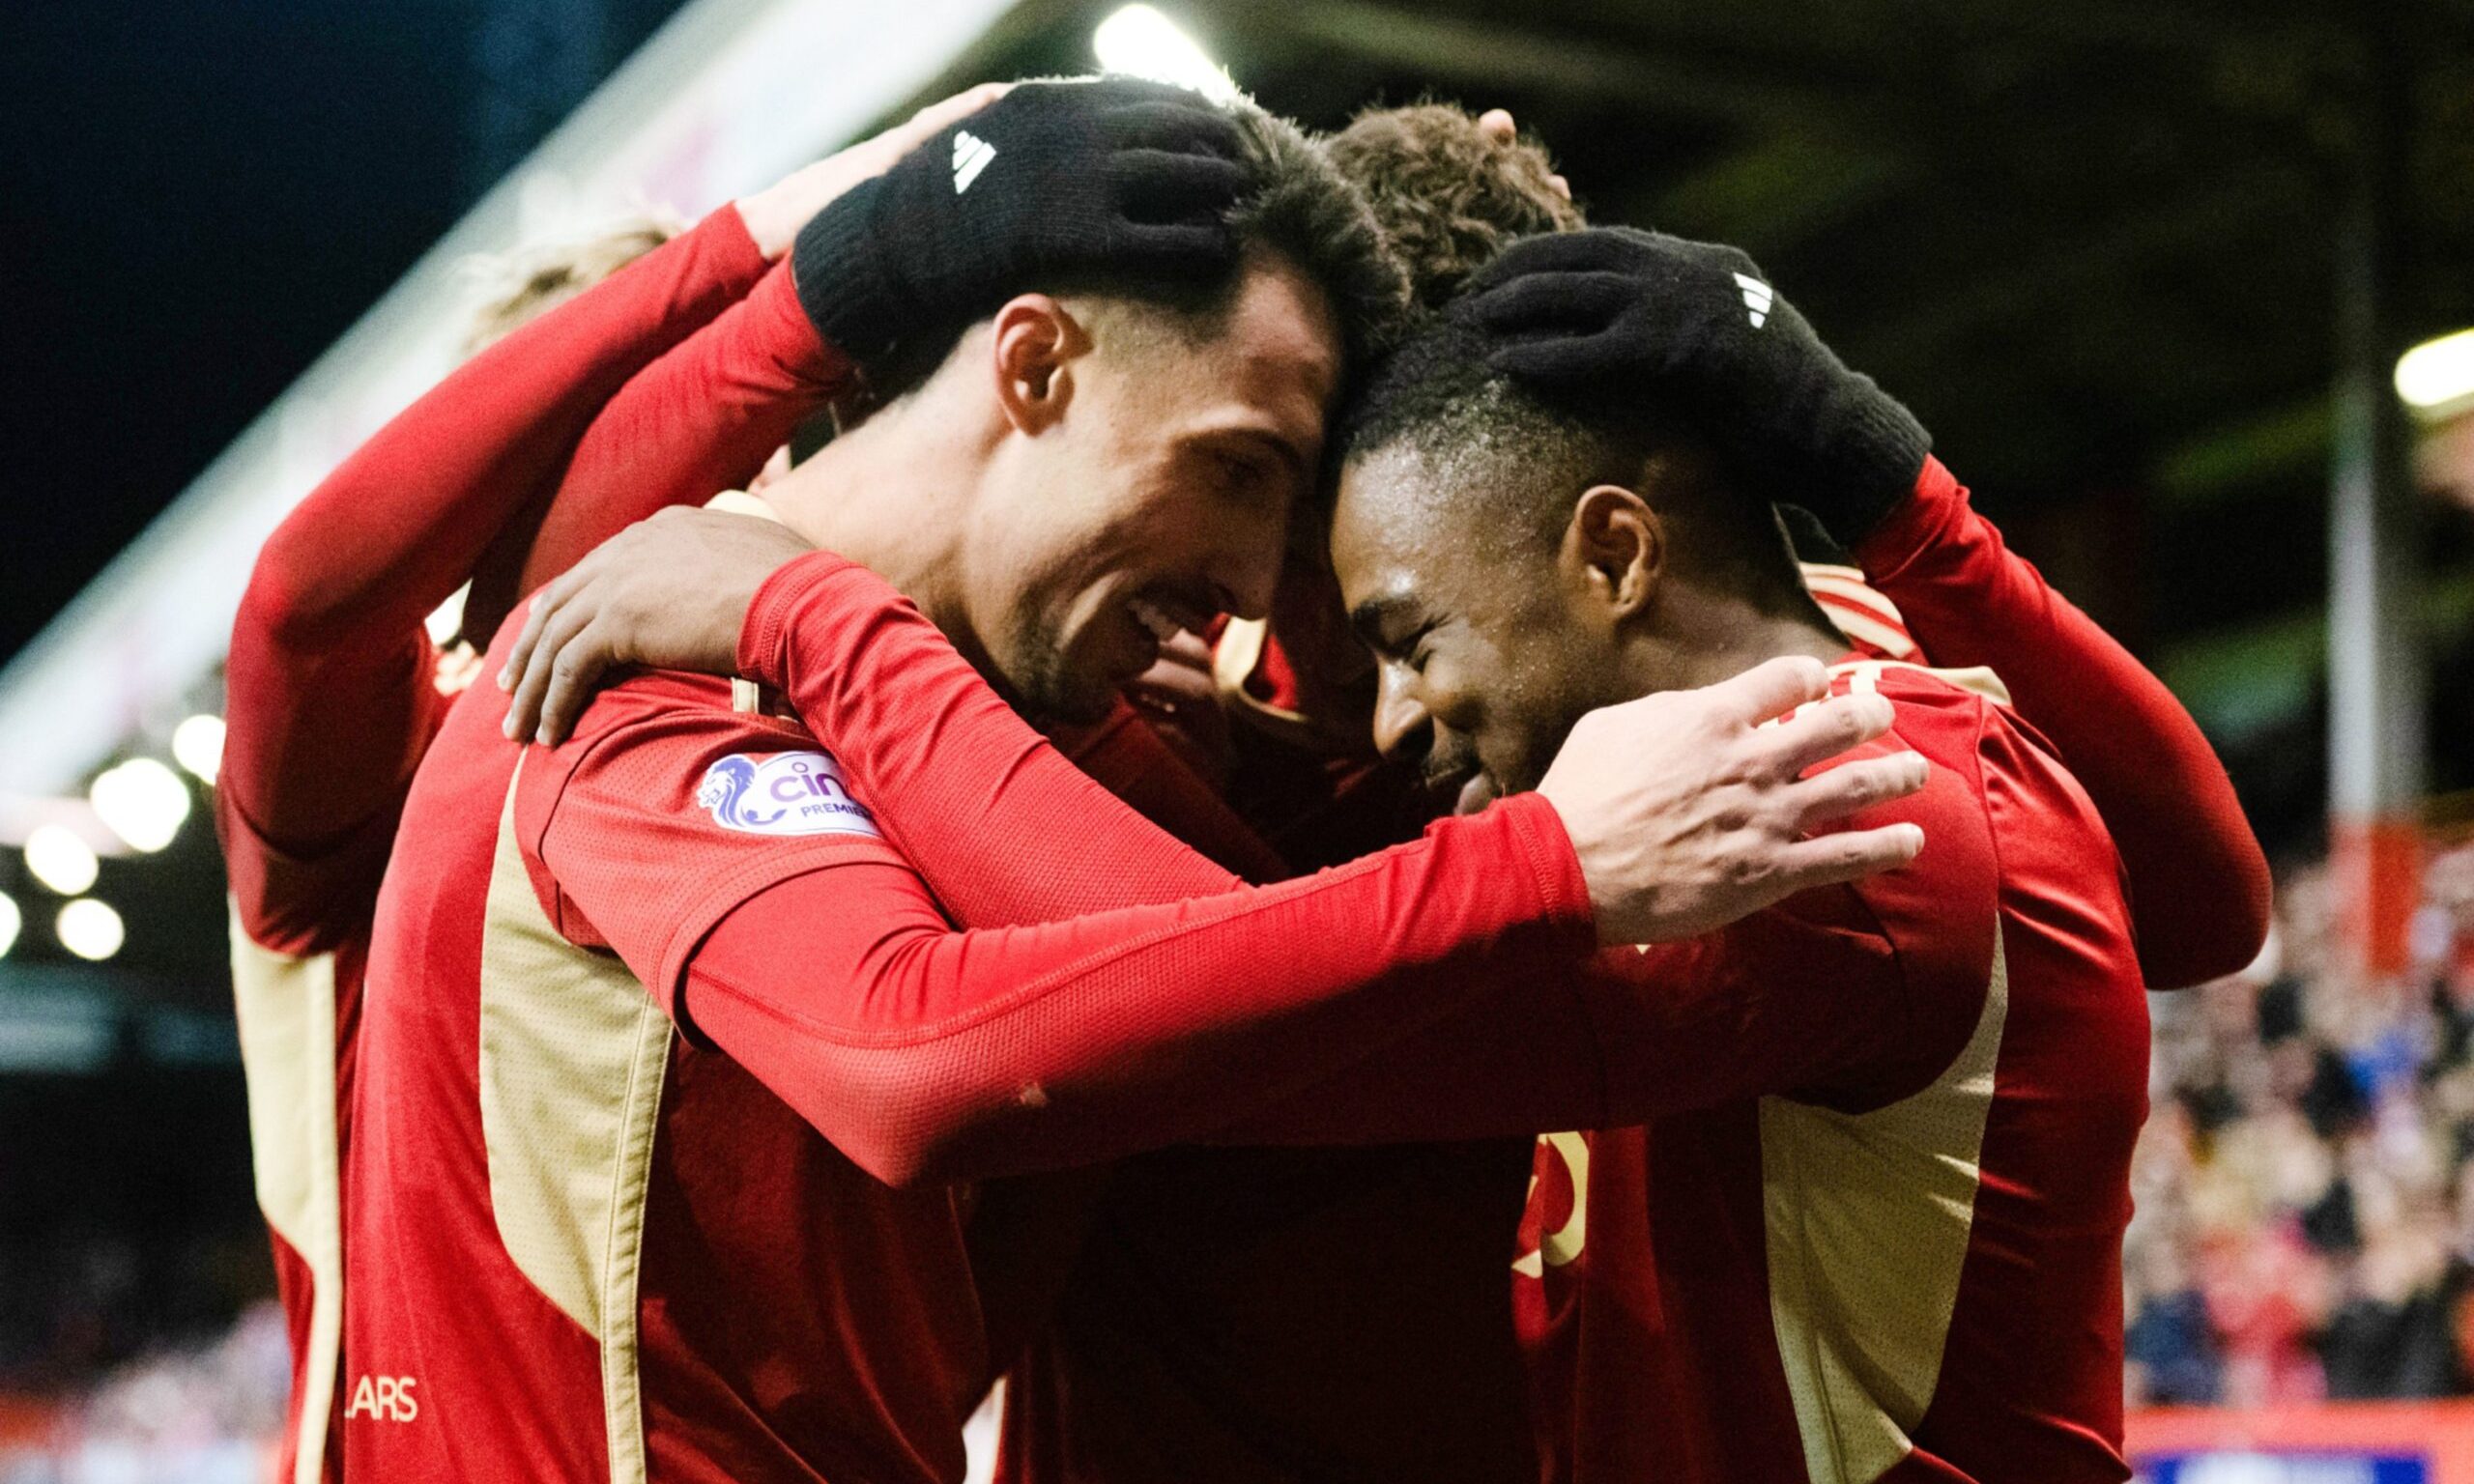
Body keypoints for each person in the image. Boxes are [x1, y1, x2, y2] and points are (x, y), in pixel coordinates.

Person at [340, 79, 1922, 1484]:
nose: (1247, 584)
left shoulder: (1042, 734)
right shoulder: (673, 666)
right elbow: (924, 1060)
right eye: (1237, 471)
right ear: (1034, 370)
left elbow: (1198, 1034)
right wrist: (824, 276)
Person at [216, 84, 1001, 1484]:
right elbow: (298, 612)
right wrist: (764, 249)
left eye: (737, 433)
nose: (708, 475)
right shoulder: (382, 749)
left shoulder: (832, 712)